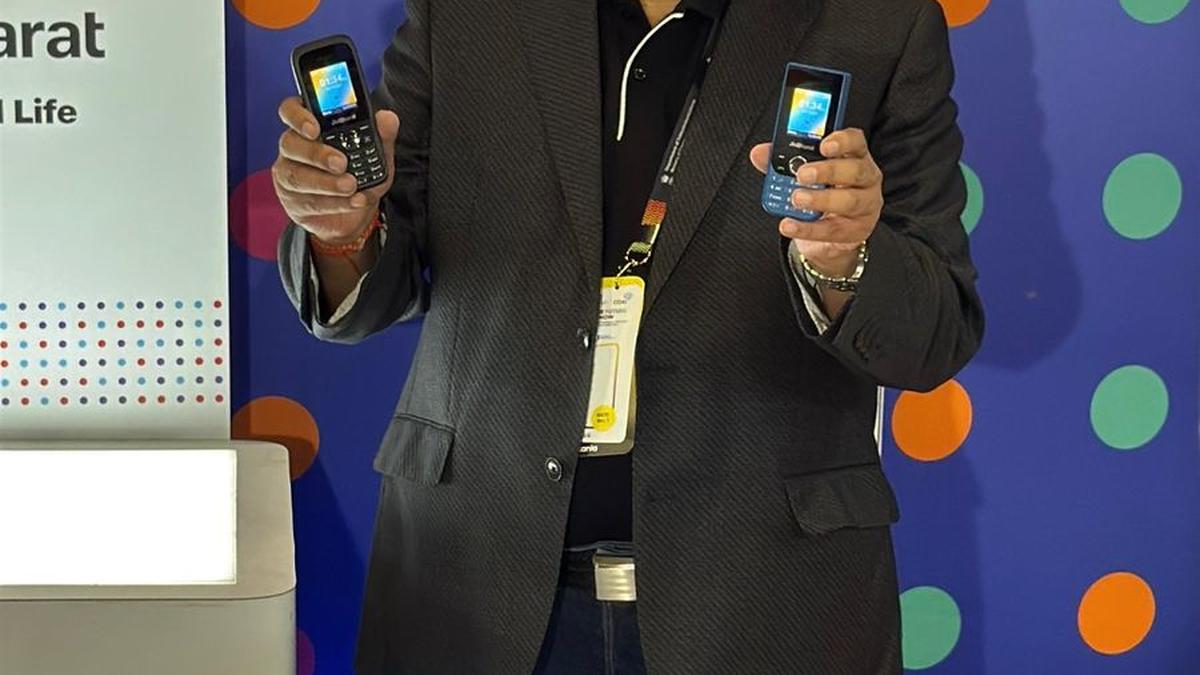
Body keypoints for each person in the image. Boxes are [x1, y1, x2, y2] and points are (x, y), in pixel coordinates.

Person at [272, 0, 984, 672]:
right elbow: (380, 269)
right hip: (474, 589)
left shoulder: (879, 21)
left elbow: (935, 334)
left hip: (769, 605)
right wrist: (343, 232)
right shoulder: (464, 12)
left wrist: (844, 260)